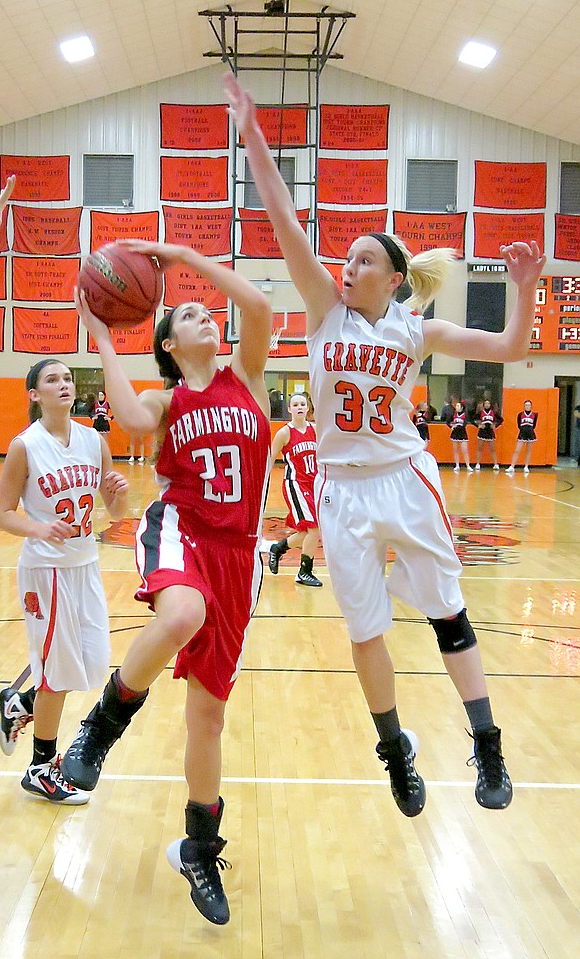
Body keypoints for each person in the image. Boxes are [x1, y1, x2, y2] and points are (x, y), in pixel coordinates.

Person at [225, 70, 545, 818]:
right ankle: (395, 750)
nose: (348, 266)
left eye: (364, 260)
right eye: (347, 260)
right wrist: (250, 133)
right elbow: (280, 214)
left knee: (447, 614)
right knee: (366, 629)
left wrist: (526, 284)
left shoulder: (417, 328)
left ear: (395, 277)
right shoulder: (322, 312)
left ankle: (487, 738)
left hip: (406, 477)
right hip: (342, 492)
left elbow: (511, 345)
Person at [60, 239, 273, 926]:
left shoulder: (249, 375)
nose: (206, 315)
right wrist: (100, 337)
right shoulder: (168, 395)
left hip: (239, 556)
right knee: (180, 615)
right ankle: (103, 722)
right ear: (169, 342)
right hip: (181, 528)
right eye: (188, 314)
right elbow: (128, 417)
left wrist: (183, 254)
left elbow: (260, 303)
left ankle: (200, 847)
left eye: (209, 311)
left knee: (208, 715)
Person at [0, 358, 129, 803]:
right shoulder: (24, 446)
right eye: (52, 379)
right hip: (45, 569)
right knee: (56, 673)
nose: (64, 384)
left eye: (68, 378)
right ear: (34, 394)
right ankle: (39, 769)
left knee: (83, 666)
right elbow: (4, 515)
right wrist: (39, 528)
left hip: (85, 565)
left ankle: (21, 705)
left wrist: (118, 495)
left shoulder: (93, 440)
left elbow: (116, 516)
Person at [269, 391, 323, 587]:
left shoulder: (316, 430)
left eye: (303, 404)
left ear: (308, 407)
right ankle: (304, 571)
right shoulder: (284, 433)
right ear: (290, 409)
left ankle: (277, 549)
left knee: (306, 532)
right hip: (295, 484)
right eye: (296, 404)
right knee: (314, 528)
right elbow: (271, 458)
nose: (299, 407)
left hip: (313, 483)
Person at [506, 400, 537, 474]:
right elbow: (518, 425)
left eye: (529, 405)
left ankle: (526, 466)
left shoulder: (534, 415)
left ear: (531, 406)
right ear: (524, 406)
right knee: (517, 450)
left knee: (528, 451)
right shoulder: (520, 414)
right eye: (526, 405)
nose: (527, 406)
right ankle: (512, 466)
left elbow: (534, 425)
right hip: (522, 433)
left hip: (530, 434)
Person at [474, 400, 502, 470]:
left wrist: (495, 425)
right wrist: (478, 425)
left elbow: (501, 420)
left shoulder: (493, 412)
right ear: (483, 405)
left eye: (488, 403)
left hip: (490, 432)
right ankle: (477, 464)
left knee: (492, 449)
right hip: (482, 432)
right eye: (485, 403)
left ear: (490, 405)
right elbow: (472, 419)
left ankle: (495, 464)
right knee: (479, 448)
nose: (487, 405)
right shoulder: (480, 412)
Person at [448, 401, 473, 472]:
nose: (456, 407)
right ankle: (457, 465)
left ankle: (468, 465)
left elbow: (464, 425)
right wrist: (451, 427)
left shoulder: (465, 415)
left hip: (462, 433)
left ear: (462, 408)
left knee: (465, 450)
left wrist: (457, 426)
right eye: (456, 406)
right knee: (455, 450)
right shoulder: (453, 414)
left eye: (458, 406)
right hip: (455, 434)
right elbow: (447, 421)